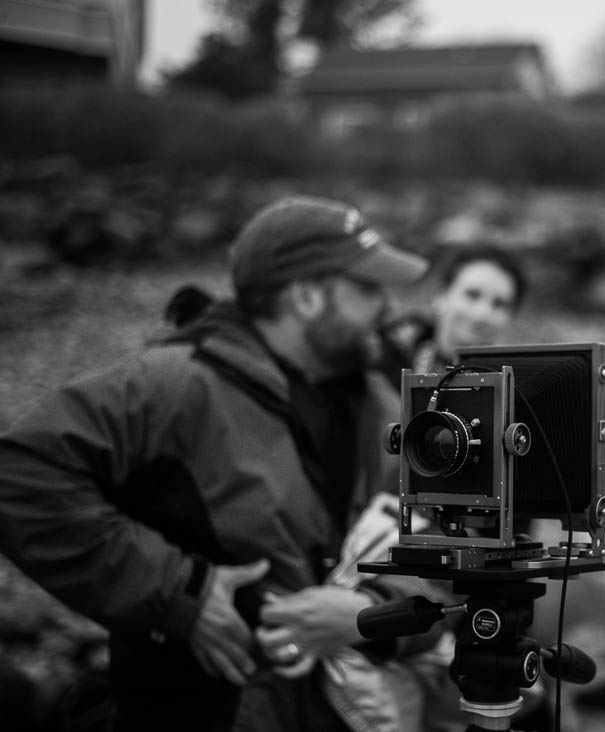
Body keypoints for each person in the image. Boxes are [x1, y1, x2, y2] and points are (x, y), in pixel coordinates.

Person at [0, 195, 448, 732]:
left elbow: (441, 555)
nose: (388, 307)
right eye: (368, 289)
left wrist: (373, 616)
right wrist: (180, 591)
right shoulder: (172, 385)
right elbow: (20, 476)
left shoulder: (384, 408)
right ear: (306, 297)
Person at [376, 243, 527, 390]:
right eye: (472, 295)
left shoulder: (514, 382)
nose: (482, 313)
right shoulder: (387, 351)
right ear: (441, 295)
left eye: (499, 304)